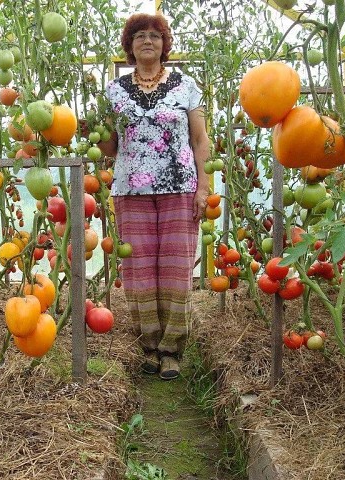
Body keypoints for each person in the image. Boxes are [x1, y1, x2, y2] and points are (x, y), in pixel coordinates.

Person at [96, 13, 211, 380]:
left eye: (155, 36)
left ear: (165, 44)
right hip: (131, 189)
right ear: (129, 46)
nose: (148, 41)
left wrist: (204, 188)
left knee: (175, 270)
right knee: (140, 270)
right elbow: (110, 148)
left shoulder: (186, 86)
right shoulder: (113, 92)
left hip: (180, 187)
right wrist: (94, 129)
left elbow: (199, 140)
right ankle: (148, 346)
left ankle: (172, 350)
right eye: (140, 36)